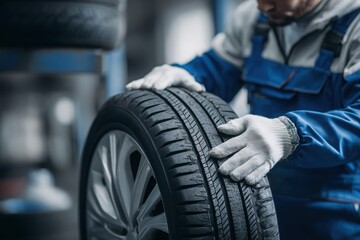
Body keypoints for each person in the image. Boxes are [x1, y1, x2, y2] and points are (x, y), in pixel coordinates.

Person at [126, 0, 360, 239]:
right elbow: (217, 69)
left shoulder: (355, 26)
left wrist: (289, 134)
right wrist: (186, 74)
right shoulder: (253, 17)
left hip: (337, 214)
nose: (263, 7)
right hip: (258, 201)